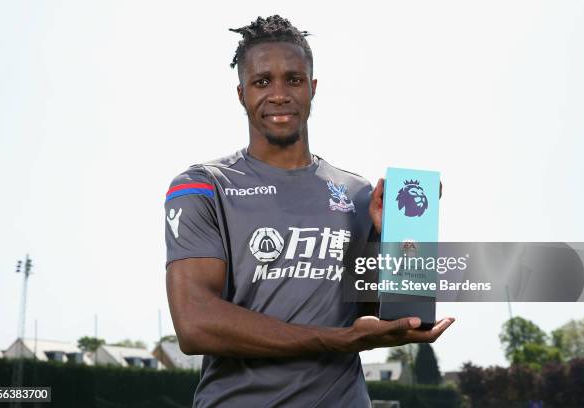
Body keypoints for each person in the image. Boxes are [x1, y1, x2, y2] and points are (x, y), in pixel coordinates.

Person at [164, 15, 455, 408]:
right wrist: (336, 339)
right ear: (240, 93)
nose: (279, 94)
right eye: (262, 81)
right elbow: (195, 324)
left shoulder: (357, 194)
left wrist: (399, 239)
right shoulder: (203, 185)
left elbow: (383, 319)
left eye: (294, 80)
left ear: (312, 88)